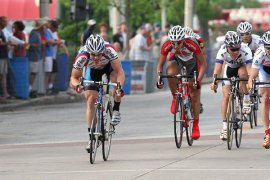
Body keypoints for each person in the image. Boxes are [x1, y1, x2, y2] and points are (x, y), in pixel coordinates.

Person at [70, 34, 125, 151]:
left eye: (99, 54)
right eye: (93, 54)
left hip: (108, 68)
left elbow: (119, 71)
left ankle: (116, 109)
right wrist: (77, 86)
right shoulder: (82, 56)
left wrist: (119, 88)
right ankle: (91, 137)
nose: (96, 57)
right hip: (92, 71)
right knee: (90, 100)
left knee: (116, 83)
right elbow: (74, 78)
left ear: (103, 50)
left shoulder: (109, 50)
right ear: (88, 51)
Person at [156, 25, 207, 140]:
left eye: (178, 43)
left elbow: (203, 64)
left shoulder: (192, 43)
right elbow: (160, 65)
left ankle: (195, 125)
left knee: (194, 93)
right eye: (173, 43)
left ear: (183, 40)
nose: (176, 45)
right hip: (177, 60)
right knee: (170, 72)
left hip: (191, 61)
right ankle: (175, 96)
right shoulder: (167, 45)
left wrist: (197, 81)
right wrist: (159, 78)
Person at [210, 31, 252, 141]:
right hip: (229, 69)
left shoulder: (245, 50)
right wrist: (214, 81)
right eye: (233, 49)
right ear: (227, 47)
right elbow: (218, 68)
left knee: (243, 74)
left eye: (237, 48)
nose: (236, 51)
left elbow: (249, 70)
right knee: (226, 96)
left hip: (241, 68)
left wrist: (251, 82)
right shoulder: (222, 50)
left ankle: (246, 99)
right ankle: (224, 127)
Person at [248, 31, 270, 149]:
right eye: (268, 48)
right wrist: (251, 81)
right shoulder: (260, 53)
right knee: (265, 97)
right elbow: (253, 74)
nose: (269, 51)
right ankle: (267, 134)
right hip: (264, 70)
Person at [184, 26, 206, 114]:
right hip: (184, 57)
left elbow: (202, 51)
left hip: (197, 56)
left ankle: (197, 100)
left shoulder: (198, 39)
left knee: (196, 81)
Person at [27, 19, 45, 98]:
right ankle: (29, 88)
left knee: (33, 73)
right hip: (33, 56)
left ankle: (30, 88)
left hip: (36, 56)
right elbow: (30, 44)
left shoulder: (37, 33)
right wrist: (38, 45)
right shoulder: (35, 33)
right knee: (33, 73)